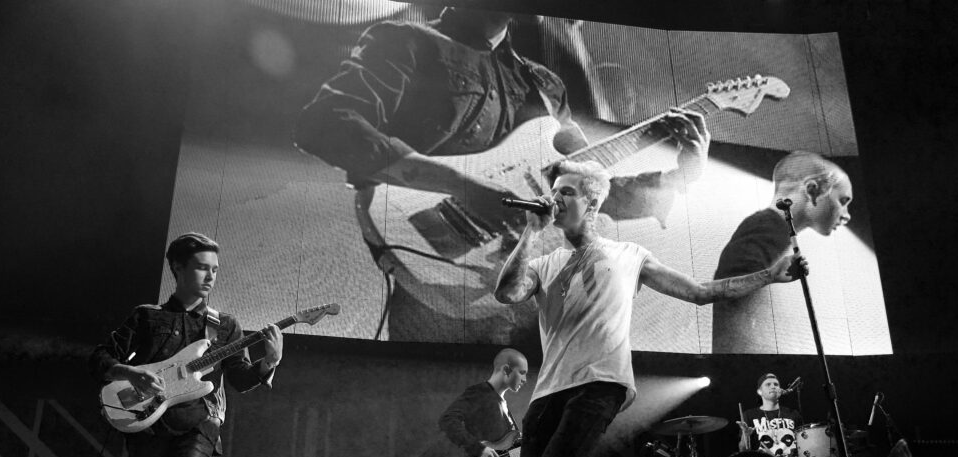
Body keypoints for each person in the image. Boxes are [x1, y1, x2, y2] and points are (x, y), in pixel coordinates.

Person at [494, 159, 807, 457]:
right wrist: (531, 232)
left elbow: (701, 292)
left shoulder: (628, 253)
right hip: (546, 394)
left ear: (593, 202)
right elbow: (507, 292)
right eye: (553, 191)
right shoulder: (542, 262)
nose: (555, 199)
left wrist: (768, 275)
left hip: (599, 384)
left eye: (567, 193)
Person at [293, 7, 709, 343]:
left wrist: (679, 178)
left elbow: (585, 193)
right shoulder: (406, 43)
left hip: (531, 296)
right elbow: (325, 123)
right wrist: (465, 187)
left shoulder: (545, 85)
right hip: (435, 300)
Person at [89, 232, 283, 457]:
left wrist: (270, 361)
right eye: (203, 268)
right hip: (147, 423)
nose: (211, 276)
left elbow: (240, 379)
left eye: (215, 269)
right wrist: (130, 373)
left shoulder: (225, 325)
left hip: (198, 424)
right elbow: (99, 357)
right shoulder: (146, 316)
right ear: (178, 267)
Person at [712, 151, 853, 353]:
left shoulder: (773, 231)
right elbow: (736, 301)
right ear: (812, 190)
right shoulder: (766, 229)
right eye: (843, 201)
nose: (846, 216)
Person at [737, 373, 805, 457]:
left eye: (776, 384)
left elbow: (804, 443)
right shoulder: (749, 415)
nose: (773, 386)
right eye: (768, 384)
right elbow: (743, 451)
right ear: (759, 391)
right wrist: (745, 436)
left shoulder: (793, 414)